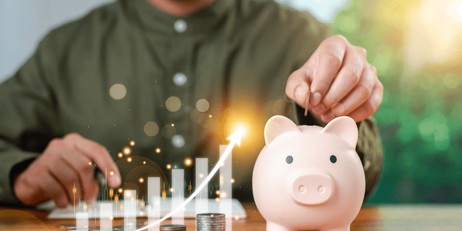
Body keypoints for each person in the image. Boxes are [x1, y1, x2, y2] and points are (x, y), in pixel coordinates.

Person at [0, 0, 383, 208]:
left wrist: (338, 111)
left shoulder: (299, 37)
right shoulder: (65, 49)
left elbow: (361, 174)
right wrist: (21, 175)